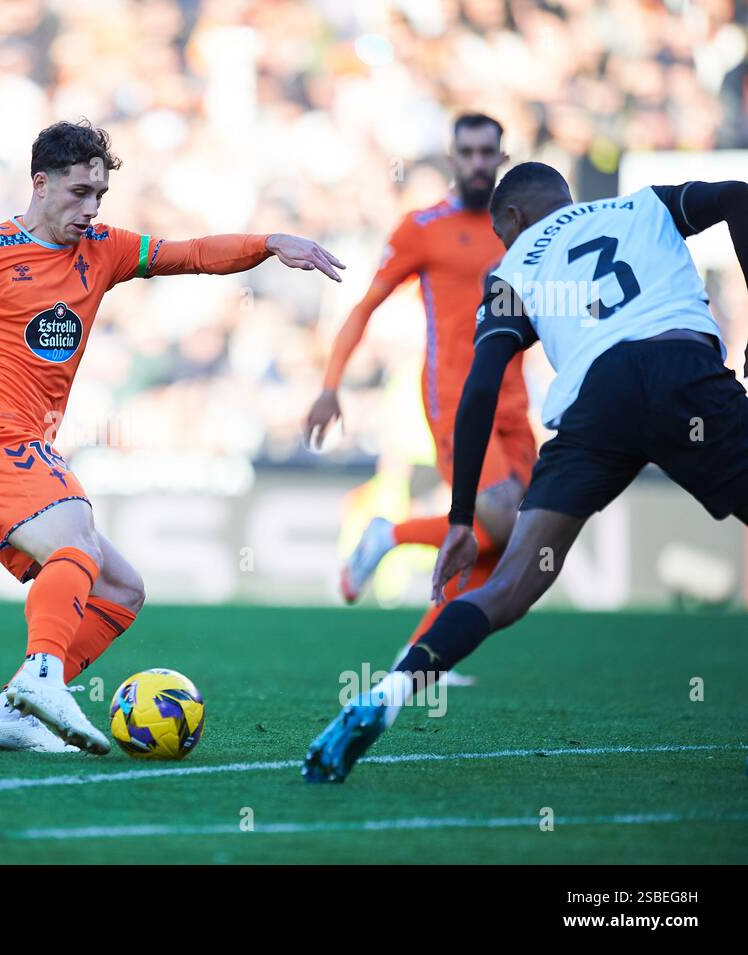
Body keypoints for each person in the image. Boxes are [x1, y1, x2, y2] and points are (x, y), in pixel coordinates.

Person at [0, 120, 345, 754]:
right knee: (76, 538)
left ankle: (10, 711)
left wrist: (268, 243)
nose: (91, 208)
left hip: (25, 451)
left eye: (100, 194)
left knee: (123, 590)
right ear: (40, 185)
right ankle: (44, 675)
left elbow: (194, 254)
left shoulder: (104, 248)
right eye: (79, 193)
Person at [303, 162, 748, 782]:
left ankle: (389, 695)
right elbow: (737, 197)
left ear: (512, 219)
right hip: (684, 371)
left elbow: (480, 386)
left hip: (597, 402)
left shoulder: (511, 268)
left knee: (508, 586)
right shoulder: (644, 206)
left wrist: (461, 517)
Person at [306, 114, 534, 654]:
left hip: (515, 399)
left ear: (502, 159)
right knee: (499, 516)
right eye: (468, 152)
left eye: (487, 152)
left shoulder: (525, 228)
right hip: (456, 397)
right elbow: (365, 308)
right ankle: (389, 535)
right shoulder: (423, 228)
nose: (478, 162)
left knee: (504, 540)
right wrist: (330, 384)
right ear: (453, 159)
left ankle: (428, 655)